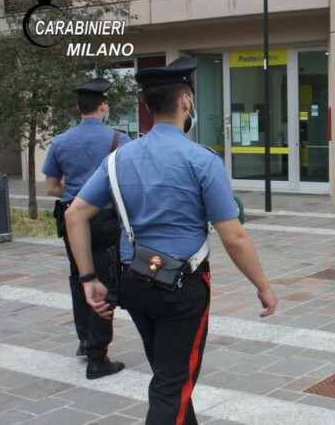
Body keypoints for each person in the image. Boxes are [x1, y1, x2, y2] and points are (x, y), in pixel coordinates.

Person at [65, 56, 278, 425]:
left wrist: (88, 279)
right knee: (171, 386)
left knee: (169, 377)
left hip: (135, 283)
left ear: (147, 106)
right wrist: (263, 286)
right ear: (186, 102)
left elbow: (74, 214)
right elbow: (234, 236)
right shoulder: (202, 160)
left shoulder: (117, 159)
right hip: (184, 287)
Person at [42, 77, 128, 379]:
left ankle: (83, 340)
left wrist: (77, 196)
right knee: (103, 280)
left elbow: (51, 186)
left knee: (80, 276)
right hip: (104, 219)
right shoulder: (119, 139)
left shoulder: (61, 141)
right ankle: (97, 357)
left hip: (68, 217)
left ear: (79, 109)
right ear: (103, 106)